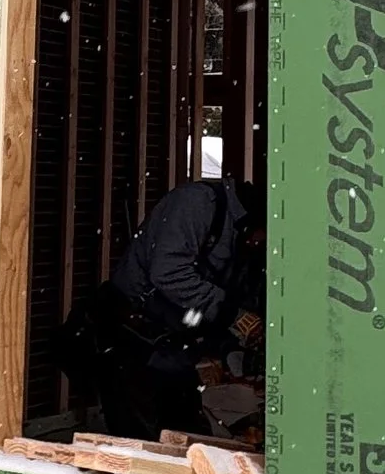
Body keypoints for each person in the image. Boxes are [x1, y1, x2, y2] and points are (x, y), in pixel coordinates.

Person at [71, 172, 262, 441]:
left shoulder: (243, 236)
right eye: (260, 238)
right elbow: (170, 272)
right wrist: (230, 313)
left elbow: (221, 298)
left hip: (173, 347)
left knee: (182, 438)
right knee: (137, 443)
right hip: (131, 334)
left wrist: (229, 344)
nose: (259, 244)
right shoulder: (199, 204)